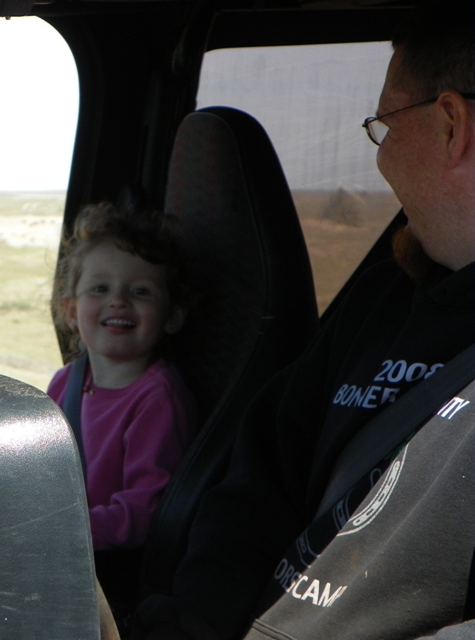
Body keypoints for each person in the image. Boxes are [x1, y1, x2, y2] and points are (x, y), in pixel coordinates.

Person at [123, 1, 475, 638]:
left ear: (452, 125)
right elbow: (253, 494)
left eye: (385, 124)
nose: (381, 157)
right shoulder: (386, 298)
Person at [48, 201, 197, 553]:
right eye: (100, 289)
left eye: (140, 292)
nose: (118, 301)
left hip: (102, 565)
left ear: (172, 315)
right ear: (71, 312)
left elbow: (144, 514)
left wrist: (60, 531)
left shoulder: (158, 401)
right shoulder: (65, 382)